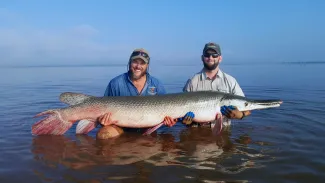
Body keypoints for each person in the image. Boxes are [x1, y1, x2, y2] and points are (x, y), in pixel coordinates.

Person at [96, 48, 194, 139]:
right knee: (103, 135)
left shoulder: (156, 84)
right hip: (121, 127)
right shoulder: (115, 83)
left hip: (149, 128)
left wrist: (170, 121)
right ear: (130, 62)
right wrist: (103, 121)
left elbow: (168, 113)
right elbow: (102, 108)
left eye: (142, 63)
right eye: (135, 62)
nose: (138, 66)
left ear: (147, 65)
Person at [183, 42, 251, 129]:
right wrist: (185, 121)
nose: (210, 58)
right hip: (197, 133)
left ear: (220, 58)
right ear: (202, 58)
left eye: (214, 55)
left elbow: (247, 108)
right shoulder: (192, 81)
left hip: (224, 131)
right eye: (207, 55)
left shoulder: (231, 81)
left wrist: (240, 115)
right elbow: (181, 114)